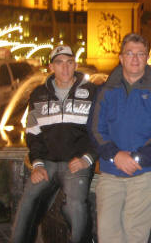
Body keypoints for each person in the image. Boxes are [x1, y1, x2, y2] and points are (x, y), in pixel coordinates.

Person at [88, 33, 151, 243]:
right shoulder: (105, 90)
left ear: (147, 57)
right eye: (130, 53)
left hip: (145, 172)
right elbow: (94, 129)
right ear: (121, 58)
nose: (135, 59)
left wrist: (139, 158)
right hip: (111, 171)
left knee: (134, 236)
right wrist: (115, 155)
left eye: (140, 54)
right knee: (107, 235)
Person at [12, 45, 97, 243]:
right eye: (59, 63)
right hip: (47, 163)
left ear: (75, 65)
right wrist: (38, 163)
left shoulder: (92, 92)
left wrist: (88, 158)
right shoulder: (38, 94)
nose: (65, 68)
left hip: (77, 162)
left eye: (69, 63)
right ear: (51, 67)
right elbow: (33, 134)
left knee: (76, 205)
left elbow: (101, 131)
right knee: (27, 202)